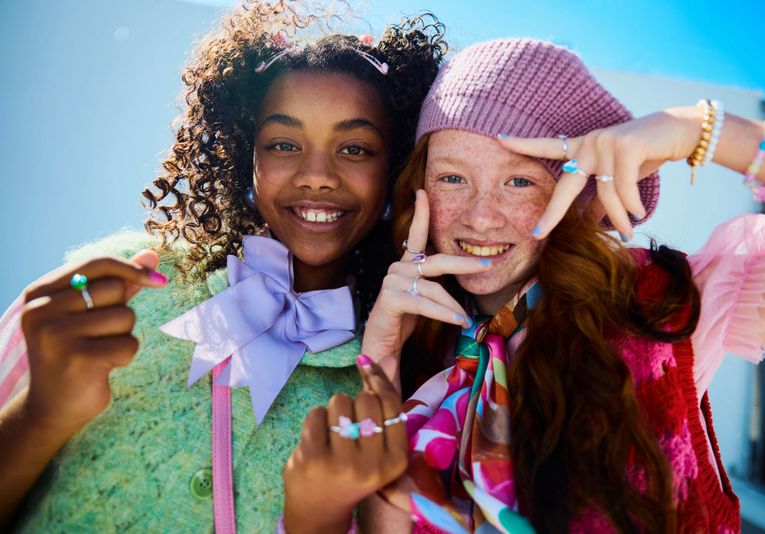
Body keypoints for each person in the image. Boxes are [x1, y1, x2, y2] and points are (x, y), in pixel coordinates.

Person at [0, 2, 446, 531]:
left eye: (354, 148)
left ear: (396, 167)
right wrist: (41, 412)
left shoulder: (399, 370)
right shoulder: (117, 284)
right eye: (283, 143)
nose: (317, 175)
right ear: (246, 156)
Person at [345, 38, 765, 532]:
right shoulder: (421, 345)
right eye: (453, 178)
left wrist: (700, 130)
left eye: (518, 181)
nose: (479, 216)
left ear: (575, 194)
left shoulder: (649, 305)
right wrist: (384, 362)